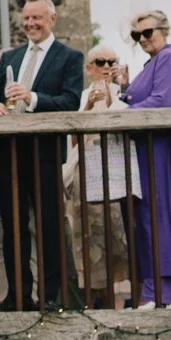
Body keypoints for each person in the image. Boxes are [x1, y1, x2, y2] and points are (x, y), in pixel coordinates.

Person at [0, 0, 85, 309]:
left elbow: (70, 101)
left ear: (52, 19)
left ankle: (51, 296)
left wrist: (34, 97)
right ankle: (19, 294)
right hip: (7, 154)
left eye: (37, 18)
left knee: (48, 225)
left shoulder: (69, 57)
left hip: (45, 152)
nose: (30, 24)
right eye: (26, 19)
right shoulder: (10, 57)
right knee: (12, 229)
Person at [121, 9, 171, 309]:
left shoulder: (170, 59)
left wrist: (120, 112)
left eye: (147, 33)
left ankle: (165, 291)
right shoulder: (150, 65)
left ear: (164, 31)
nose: (142, 39)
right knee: (151, 216)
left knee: (166, 214)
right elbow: (143, 99)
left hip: (165, 146)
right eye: (136, 35)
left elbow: (162, 101)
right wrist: (126, 90)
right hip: (147, 147)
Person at [63, 43, 137, 309]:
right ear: (89, 67)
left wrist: (118, 93)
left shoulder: (126, 93)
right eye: (101, 62)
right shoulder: (81, 96)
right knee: (91, 235)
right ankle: (96, 299)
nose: (106, 67)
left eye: (111, 61)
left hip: (119, 170)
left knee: (121, 232)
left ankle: (126, 299)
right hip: (88, 169)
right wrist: (87, 111)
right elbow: (72, 140)